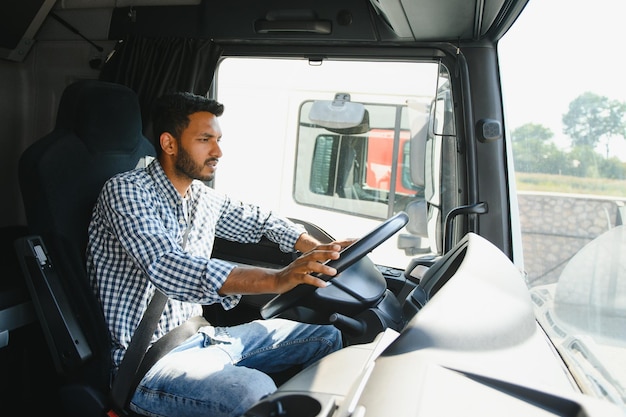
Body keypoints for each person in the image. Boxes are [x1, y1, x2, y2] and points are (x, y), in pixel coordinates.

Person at [86, 91, 350, 417]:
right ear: (169, 144)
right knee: (255, 393)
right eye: (205, 140)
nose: (218, 151)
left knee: (327, 338)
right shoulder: (125, 191)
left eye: (218, 139)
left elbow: (257, 218)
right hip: (147, 364)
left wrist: (312, 245)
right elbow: (168, 265)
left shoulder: (201, 196)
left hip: (203, 336)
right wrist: (276, 279)